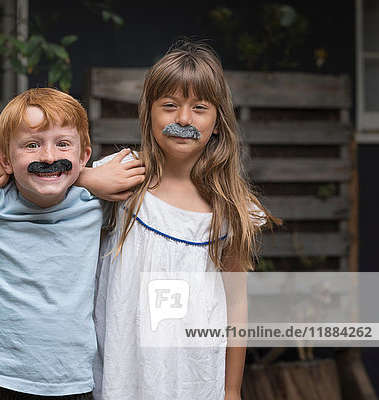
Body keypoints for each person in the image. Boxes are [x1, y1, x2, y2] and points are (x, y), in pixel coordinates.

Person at [0, 87, 144, 400]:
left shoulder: (95, 195)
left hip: (70, 383)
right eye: (32, 145)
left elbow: (157, 158)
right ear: (5, 158)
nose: (48, 157)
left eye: (63, 144)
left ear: (84, 155)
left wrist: (84, 176)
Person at [92, 40, 281, 400]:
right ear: (148, 113)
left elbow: (236, 304)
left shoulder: (229, 208)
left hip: (194, 381)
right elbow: (47, 189)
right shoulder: (120, 178)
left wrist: (231, 390)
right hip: (121, 375)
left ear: (217, 121)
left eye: (199, 108)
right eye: (169, 106)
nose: (183, 119)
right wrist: (80, 177)